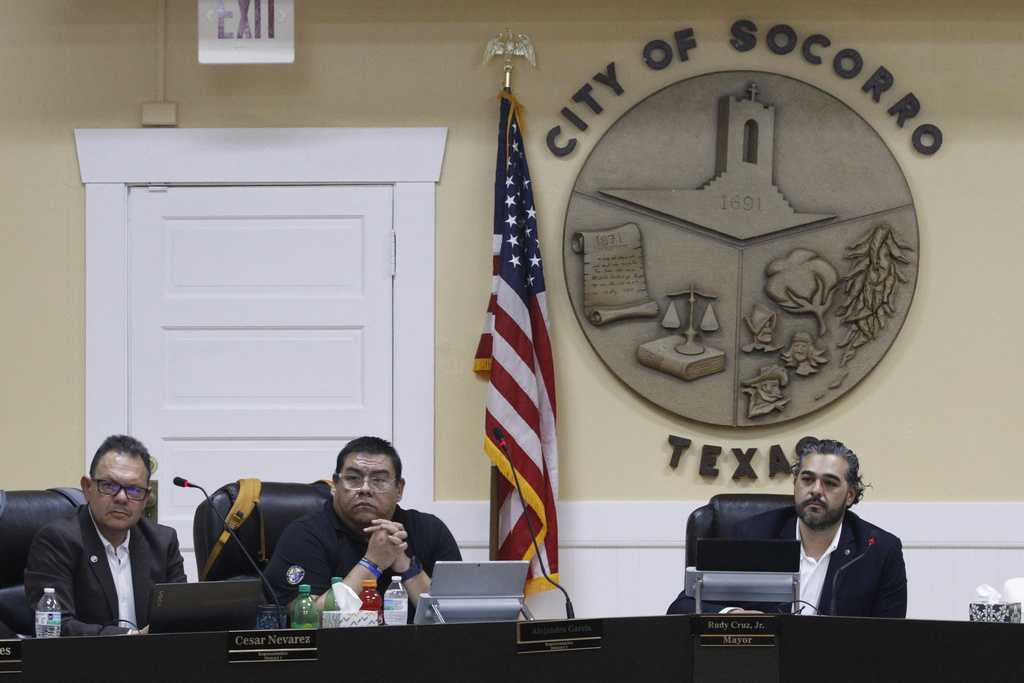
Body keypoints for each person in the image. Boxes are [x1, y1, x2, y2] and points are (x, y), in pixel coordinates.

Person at [668, 436, 907, 617]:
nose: (815, 490)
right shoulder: (753, 536)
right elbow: (682, 606)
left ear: (850, 495)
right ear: (795, 483)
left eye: (830, 483)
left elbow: (889, 639)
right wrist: (732, 614)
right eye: (807, 479)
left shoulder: (877, 550)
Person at [266, 436, 461, 617]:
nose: (365, 489)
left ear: (399, 489)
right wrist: (372, 562)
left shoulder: (430, 530)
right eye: (353, 479)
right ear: (334, 485)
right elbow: (307, 617)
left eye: (379, 480)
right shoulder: (304, 535)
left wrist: (404, 564)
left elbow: (452, 618)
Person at [24, 435, 186, 635]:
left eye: (134, 490)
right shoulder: (57, 540)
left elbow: (179, 616)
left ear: (146, 498)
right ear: (87, 488)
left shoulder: (162, 542)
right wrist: (131, 638)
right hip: (82, 662)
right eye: (109, 485)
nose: (121, 498)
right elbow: (57, 627)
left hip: (155, 662)